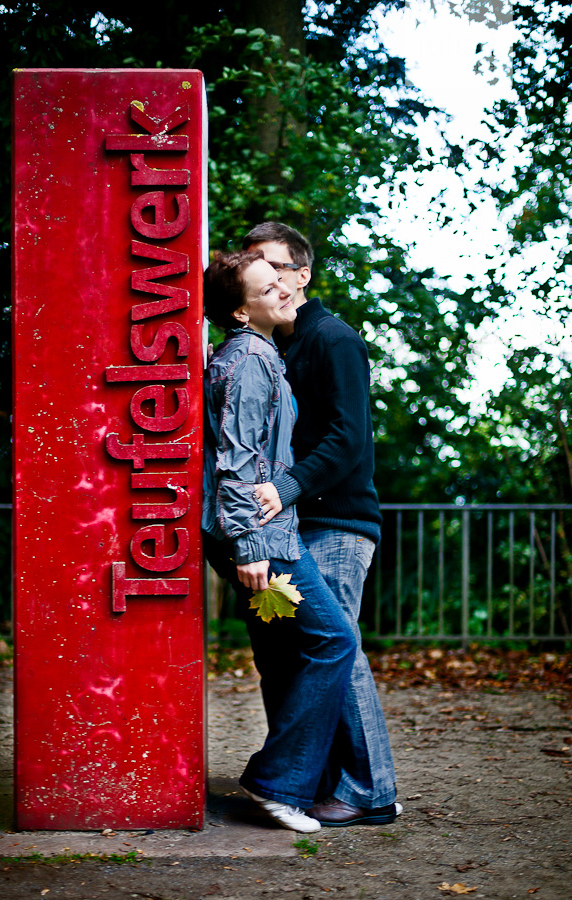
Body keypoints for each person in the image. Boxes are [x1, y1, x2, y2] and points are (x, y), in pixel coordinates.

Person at [241, 221, 400, 827]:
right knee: (297, 656)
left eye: (274, 264)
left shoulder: (333, 339)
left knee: (338, 648)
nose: (264, 274)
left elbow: (348, 437)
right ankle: (320, 782)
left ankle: (369, 791)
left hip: (335, 521)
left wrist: (285, 488)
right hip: (288, 526)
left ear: (302, 274)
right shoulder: (269, 344)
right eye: (253, 264)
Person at [201, 249, 356, 834]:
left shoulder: (256, 353)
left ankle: (295, 782)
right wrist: (250, 546)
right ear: (241, 311)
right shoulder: (249, 360)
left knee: (292, 654)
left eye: (281, 282)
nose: (284, 292)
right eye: (268, 289)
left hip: (265, 531)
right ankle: (277, 782)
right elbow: (237, 458)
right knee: (334, 641)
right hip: (262, 538)